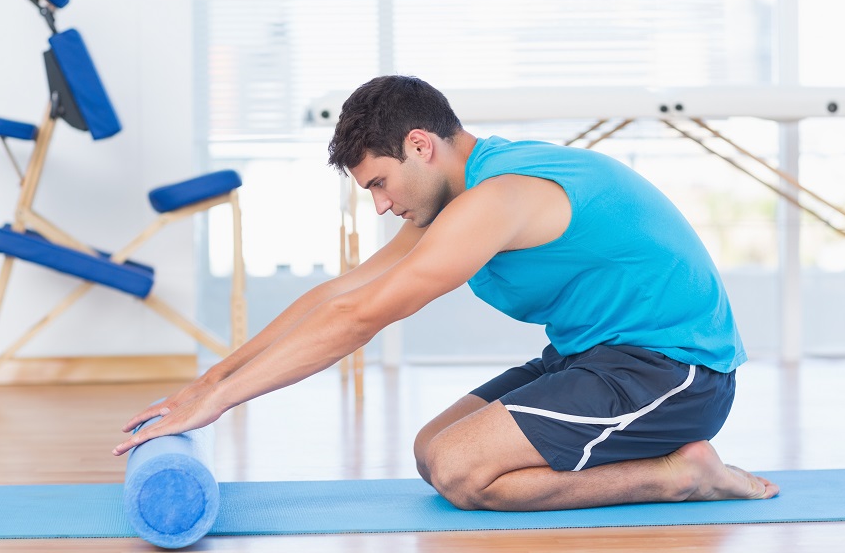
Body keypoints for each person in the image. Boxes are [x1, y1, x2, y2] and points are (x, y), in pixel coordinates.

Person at [113, 75, 779, 511]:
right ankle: (675, 468)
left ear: (420, 145)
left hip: (674, 370)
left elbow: (360, 320)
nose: (378, 206)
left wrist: (223, 404)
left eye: (378, 183)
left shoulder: (500, 197)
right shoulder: (456, 198)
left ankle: (683, 475)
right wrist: (212, 379)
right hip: (595, 358)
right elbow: (339, 294)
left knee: (463, 472)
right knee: (433, 448)